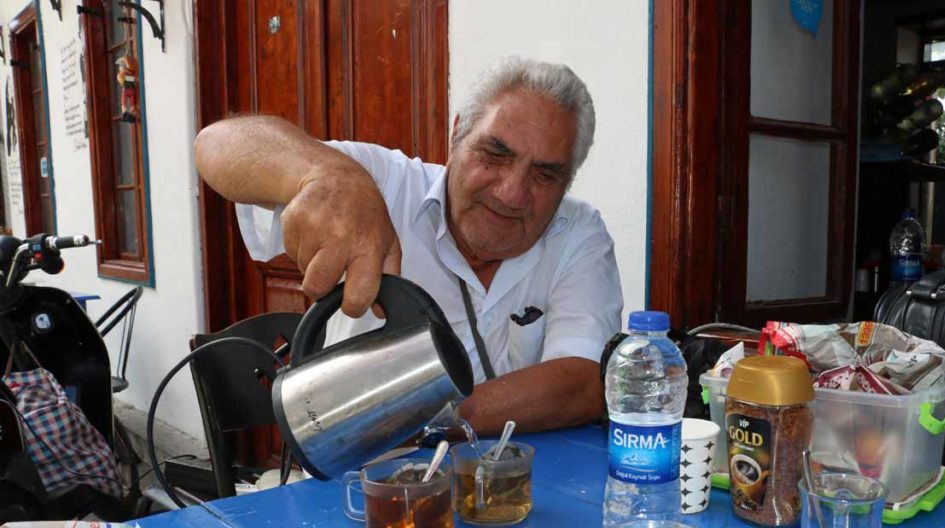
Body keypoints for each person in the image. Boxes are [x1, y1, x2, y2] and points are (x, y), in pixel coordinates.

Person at [194, 57, 623, 435]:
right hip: (362, 489)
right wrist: (325, 176)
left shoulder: (578, 233)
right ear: (457, 135)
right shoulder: (380, 184)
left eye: (544, 175)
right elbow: (216, 143)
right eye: (494, 154)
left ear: (567, 183)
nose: (512, 193)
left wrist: (415, 423)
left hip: (513, 494)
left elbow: (581, 382)